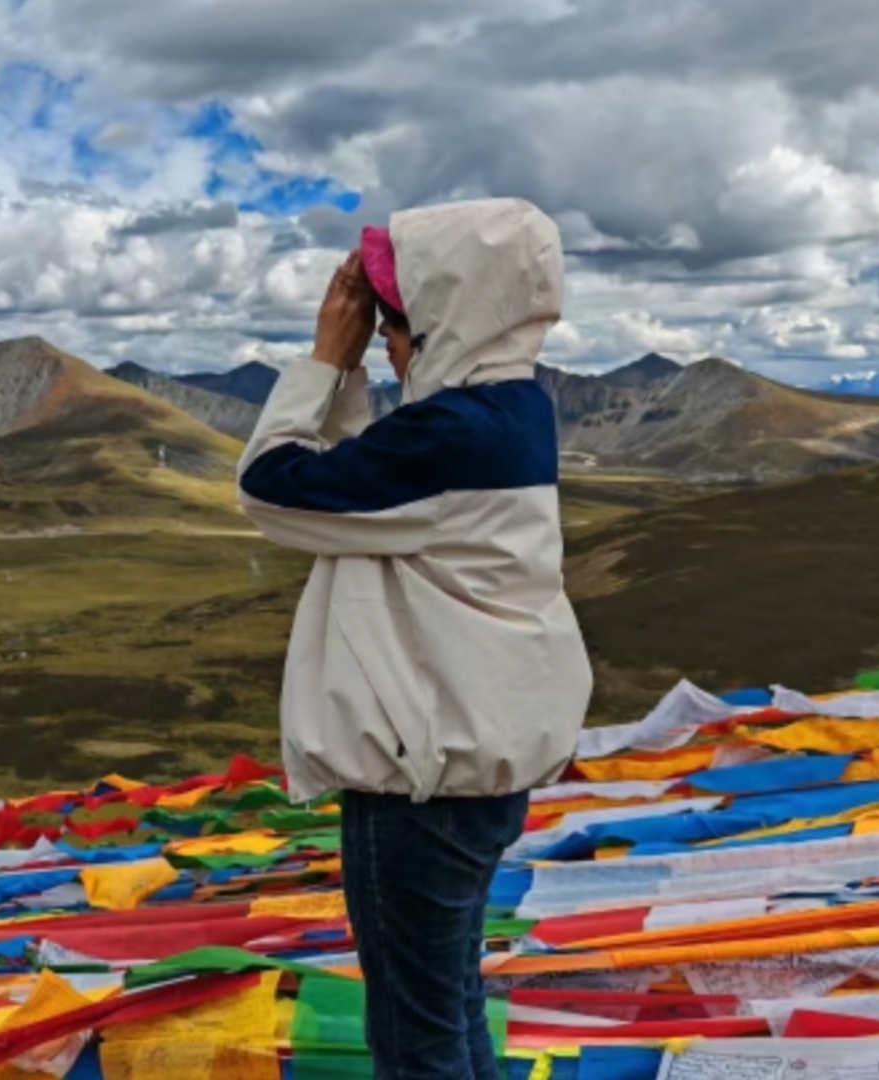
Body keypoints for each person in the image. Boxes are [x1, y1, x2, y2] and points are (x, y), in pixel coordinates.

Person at [236, 198, 592, 1080]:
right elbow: (371, 486)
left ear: (447, 320)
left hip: (419, 789)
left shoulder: (450, 436)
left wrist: (326, 358)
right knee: (449, 1000)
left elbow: (274, 489)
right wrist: (360, 377)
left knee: (413, 1031)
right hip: (475, 763)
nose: (388, 344)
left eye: (397, 324)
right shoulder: (507, 412)